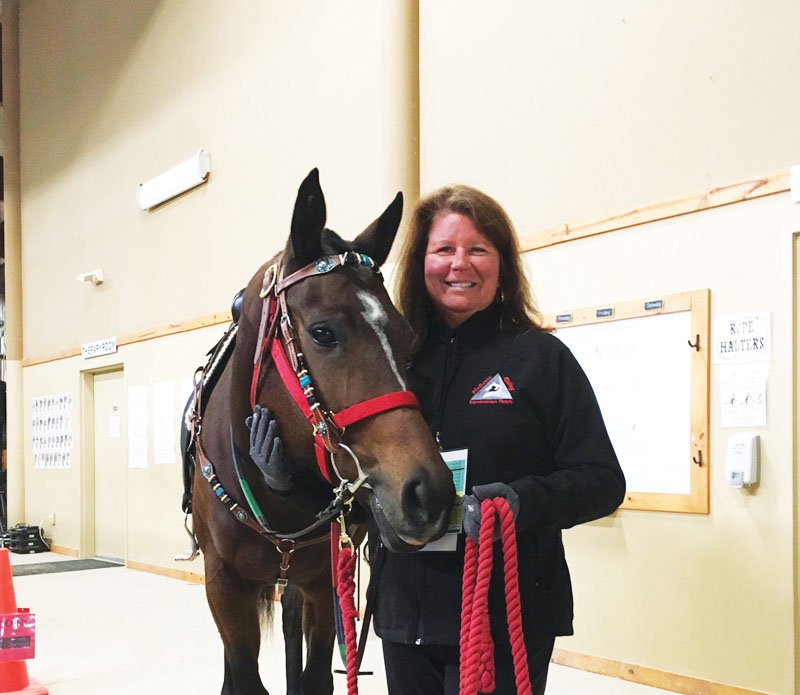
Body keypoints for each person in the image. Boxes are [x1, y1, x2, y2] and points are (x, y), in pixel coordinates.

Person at [368, 184, 626, 695]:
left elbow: (602, 482)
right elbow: (362, 481)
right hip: (405, 616)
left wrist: (518, 500)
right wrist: (286, 478)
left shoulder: (541, 360)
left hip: (506, 617)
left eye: (477, 249)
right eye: (443, 249)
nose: (459, 263)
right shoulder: (394, 367)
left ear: (502, 263)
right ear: (421, 263)